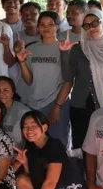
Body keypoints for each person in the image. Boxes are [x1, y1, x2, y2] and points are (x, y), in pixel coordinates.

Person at [14, 111, 98, 189]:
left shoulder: (54, 146)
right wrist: (25, 163)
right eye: (25, 126)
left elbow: (51, 182)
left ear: (44, 127)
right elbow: (34, 177)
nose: (29, 130)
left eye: (33, 125)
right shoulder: (31, 147)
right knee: (21, 180)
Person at [57, 8, 103, 151]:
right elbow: (68, 76)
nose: (91, 28)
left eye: (95, 23)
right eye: (86, 25)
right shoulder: (79, 48)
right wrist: (64, 53)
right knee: (81, 148)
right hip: (81, 107)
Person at [15, 11, 69, 146]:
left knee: (58, 142)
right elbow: (29, 80)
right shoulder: (31, 48)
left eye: (51, 24)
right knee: (36, 142)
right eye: (42, 24)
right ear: (38, 27)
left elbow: (69, 81)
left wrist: (57, 107)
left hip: (56, 101)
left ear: (57, 27)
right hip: (35, 102)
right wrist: (22, 62)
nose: (46, 28)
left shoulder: (63, 48)